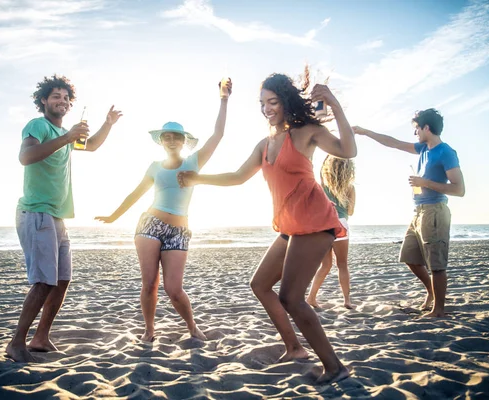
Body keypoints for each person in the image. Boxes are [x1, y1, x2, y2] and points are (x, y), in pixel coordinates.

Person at [177, 71, 356, 383]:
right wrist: (197, 178)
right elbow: (237, 176)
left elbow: (348, 150)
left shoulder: (306, 132)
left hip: (314, 223)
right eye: (262, 103)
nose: (266, 108)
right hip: (289, 226)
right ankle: (295, 348)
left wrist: (335, 105)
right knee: (260, 284)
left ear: (285, 102)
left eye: (272, 102)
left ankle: (335, 367)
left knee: (291, 298)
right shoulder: (265, 144)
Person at [95, 79, 232, 342]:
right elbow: (135, 193)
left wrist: (223, 100)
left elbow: (218, 135)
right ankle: (149, 330)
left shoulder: (194, 162)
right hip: (150, 225)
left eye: (175, 137)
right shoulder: (155, 166)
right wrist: (114, 216)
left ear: (183, 141)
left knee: (174, 288)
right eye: (166, 137)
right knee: (149, 283)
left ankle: (192, 327)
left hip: (179, 230)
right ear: (161, 141)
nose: (170, 140)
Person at [7, 74, 123, 362]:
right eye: (55, 96)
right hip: (36, 211)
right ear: (44, 100)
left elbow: (92, 145)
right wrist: (67, 137)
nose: (62, 101)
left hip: (56, 216)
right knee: (44, 281)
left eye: (66, 98)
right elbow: (26, 156)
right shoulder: (38, 126)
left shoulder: (64, 138)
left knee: (61, 280)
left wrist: (107, 124)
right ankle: (16, 342)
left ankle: (41, 337)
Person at [353, 108, 465, 318]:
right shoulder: (424, 149)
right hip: (418, 212)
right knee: (410, 257)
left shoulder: (446, 152)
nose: (415, 134)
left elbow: (459, 189)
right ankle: (431, 292)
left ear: (426, 128)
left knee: (436, 265)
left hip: (435, 212)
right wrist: (366, 132)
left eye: (416, 129)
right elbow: (393, 143)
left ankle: (438, 310)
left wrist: (425, 183)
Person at [307, 156, 356, 309]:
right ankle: (347, 301)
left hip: (323, 224)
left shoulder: (321, 185)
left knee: (326, 265)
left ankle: (311, 297)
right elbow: (351, 211)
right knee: (342, 265)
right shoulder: (350, 187)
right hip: (340, 224)